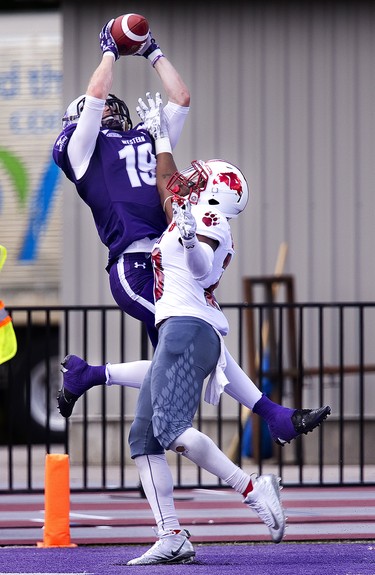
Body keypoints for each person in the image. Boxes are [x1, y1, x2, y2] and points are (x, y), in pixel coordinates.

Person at [54, 21, 331, 447]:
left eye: (113, 105)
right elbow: (93, 99)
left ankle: (90, 375)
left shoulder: (145, 137)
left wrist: (152, 51)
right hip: (135, 264)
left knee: (179, 356)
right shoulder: (81, 150)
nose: (110, 108)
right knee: (196, 337)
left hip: (172, 260)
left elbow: (180, 97)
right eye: (102, 106)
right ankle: (273, 414)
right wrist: (110, 50)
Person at [124, 101, 285, 565]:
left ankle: (253, 488)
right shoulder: (190, 214)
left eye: (202, 180)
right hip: (181, 325)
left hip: (188, 327)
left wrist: (192, 240)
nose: (191, 183)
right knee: (143, 438)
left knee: (170, 429)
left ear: (216, 194)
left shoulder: (211, 222)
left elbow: (200, 268)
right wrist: (160, 137)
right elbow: (166, 180)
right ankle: (170, 535)